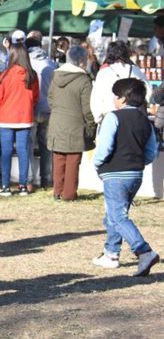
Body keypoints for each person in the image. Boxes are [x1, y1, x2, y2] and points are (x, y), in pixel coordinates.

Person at [92, 78, 159, 276]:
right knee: (114, 215)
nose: (113, 99)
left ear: (123, 98)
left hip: (115, 173)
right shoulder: (145, 121)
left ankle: (143, 251)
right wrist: (138, 164)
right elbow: (150, 152)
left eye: (115, 95)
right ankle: (111, 253)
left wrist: (97, 163)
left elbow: (104, 148)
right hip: (135, 174)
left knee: (117, 216)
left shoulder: (113, 118)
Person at [47, 46, 96, 201]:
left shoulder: (56, 76)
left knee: (58, 159)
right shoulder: (84, 80)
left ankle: (57, 191)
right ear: (82, 61)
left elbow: (50, 98)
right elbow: (88, 108)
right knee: (73, 161)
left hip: (57, 122)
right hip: (76, 125)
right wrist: (91, 124)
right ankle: (68, 194)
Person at [0, 44, 39, 196]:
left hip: (6, 118)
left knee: (6, 152)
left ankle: (5, 186)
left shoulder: (5, 75)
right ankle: (23, 185)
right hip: (25, 117)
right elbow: (35, 98)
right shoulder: (32, 76)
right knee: (23, 151)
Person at [90, 40, 151, 124]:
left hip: (110, 119)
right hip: (134, 119)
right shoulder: (136, 70)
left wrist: (99, 120)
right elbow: (149, 93)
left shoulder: (104, 73)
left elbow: (95, 100)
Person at [26, 31, 56, 189]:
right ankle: (47, 179)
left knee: (28, 145)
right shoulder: (51, 63)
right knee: (47, 146)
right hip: (48, 108)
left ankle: (29, 180)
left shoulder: (25, 63)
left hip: (30, 108)